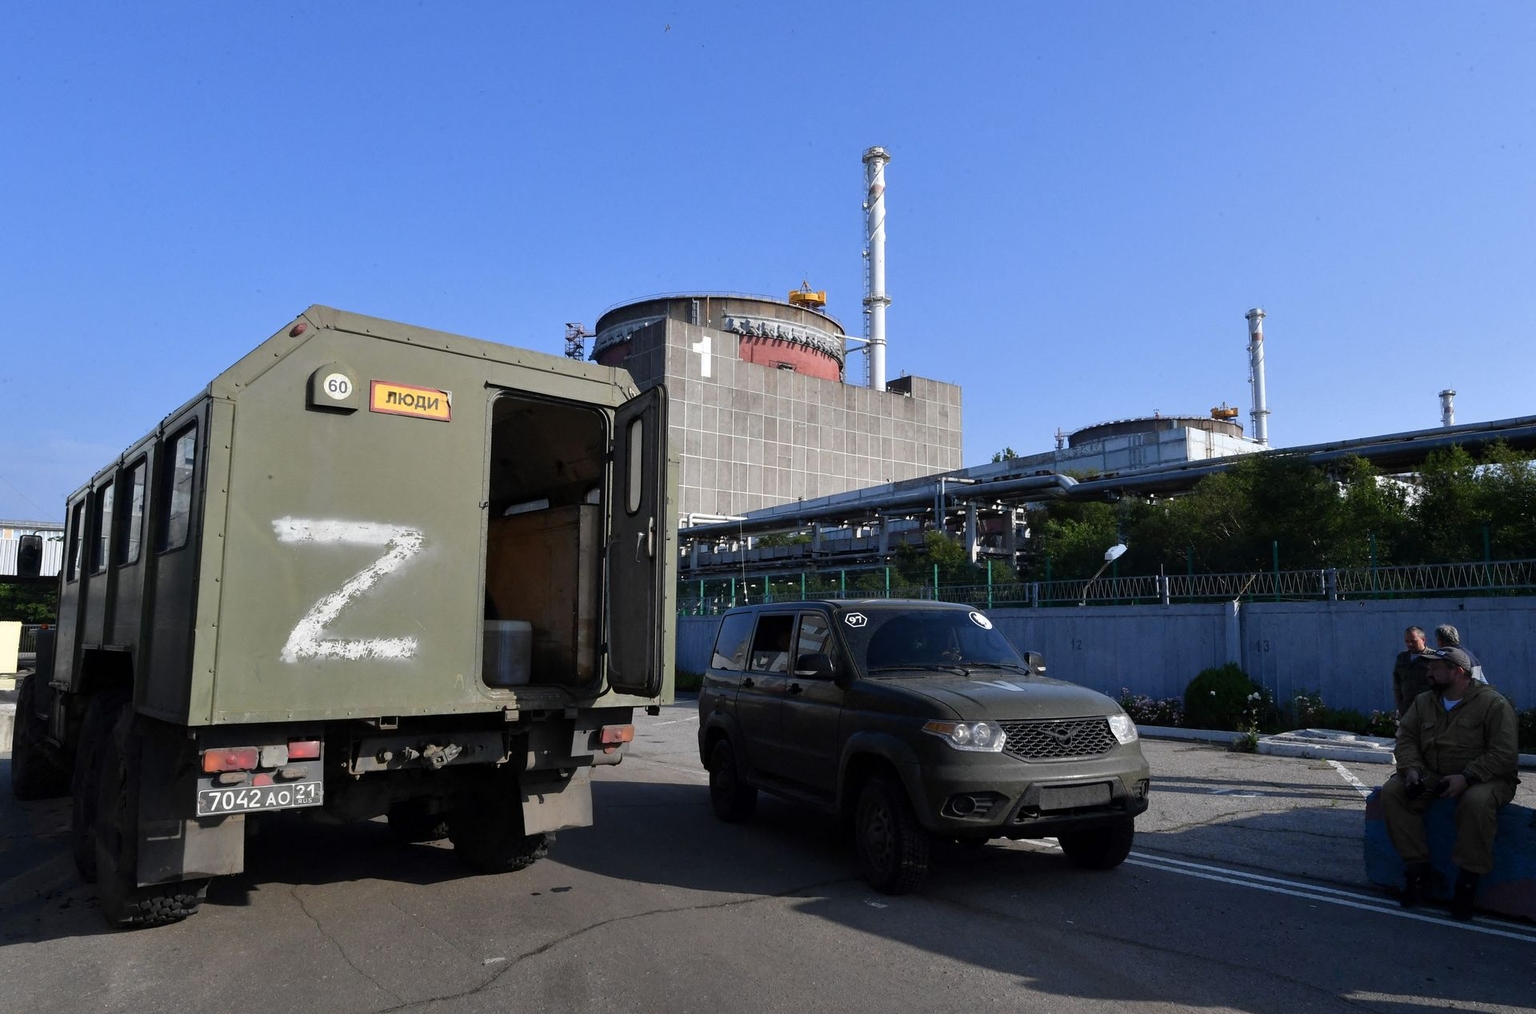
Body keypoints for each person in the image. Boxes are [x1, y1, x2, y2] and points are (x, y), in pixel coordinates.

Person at [1381, 645, 1519, 920]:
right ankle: (1419, 873)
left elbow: (1504, 754)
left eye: (1435, 668)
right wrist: (1411, 770)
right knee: (1393, 792)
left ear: (1458, 672)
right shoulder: (1424, 702)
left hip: (1485, 778)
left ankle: (1467, 883)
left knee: (1476, 803)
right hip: (1434, 774)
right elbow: (1406, 738)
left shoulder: (1492, 704)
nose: (1428, 672)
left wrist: (1467, 777)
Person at [1392, 626, 1432, 717]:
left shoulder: (1433, 657)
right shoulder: (1402, 658)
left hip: (1428, 707)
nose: (1410, 644)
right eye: (1407, 641)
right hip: (1407, 707)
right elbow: (1397, 683)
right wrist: (1399, 705)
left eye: (1413, 641)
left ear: (1423, 640)